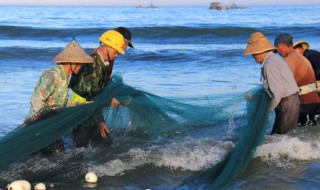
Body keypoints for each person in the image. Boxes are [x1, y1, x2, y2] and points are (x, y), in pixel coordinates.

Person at [25, 39, 94, 155]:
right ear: (71, 62)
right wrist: (40, 117)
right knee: (52, 154)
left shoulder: (66, 77)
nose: (82, 66)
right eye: (80, 63)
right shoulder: (53, 75)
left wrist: (80, 105)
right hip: (39, 125)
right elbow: (36, 98)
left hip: (52, 123)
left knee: (59, 153)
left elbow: (60, 103)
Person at [69, 28, 134, 147]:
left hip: (90, 111)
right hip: (80, 112)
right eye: (116, 51)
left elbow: (99, 88)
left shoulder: (102, 61)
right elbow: (89, 96)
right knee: (79, 151)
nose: (117, 55)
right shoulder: (93, 65)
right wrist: (103, 115)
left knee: (102, 146)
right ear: (107, 46)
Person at [244, 32, 300, 134]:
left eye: (253, 54)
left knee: (283, 137)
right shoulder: (272, 60)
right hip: (288, 102)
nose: (253, 57)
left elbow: (278, 91)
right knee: (280, 136)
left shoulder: (269, 64)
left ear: (260, 52)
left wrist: (268, 109)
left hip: (287, 103)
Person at [274, 33, 320, 126]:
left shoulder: (289, 59)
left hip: (305, 103)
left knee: (296, 134)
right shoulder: (302, 57)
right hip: (315, 100)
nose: (278, 52)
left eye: (277, 48)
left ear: (283, 45)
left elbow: (284, 83)